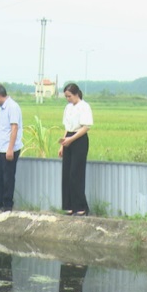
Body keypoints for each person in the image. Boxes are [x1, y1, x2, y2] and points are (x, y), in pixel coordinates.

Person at [58, 83, 93, 216]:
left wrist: (71, 139)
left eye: (70, 96)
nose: (68, 99)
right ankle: (69, 205)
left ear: (76, 94)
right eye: (66, 97)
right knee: (66, 173)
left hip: (79, 139)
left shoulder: (84, 107)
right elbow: (67, 127)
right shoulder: (68, 108)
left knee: (76, 173)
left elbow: (86, 127)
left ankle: (81, 206)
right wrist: (63, 144)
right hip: (68, 138)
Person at [0, 83, 23, 211]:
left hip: (9, 149)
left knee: (8, 177)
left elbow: (14, 128)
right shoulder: (2, 107)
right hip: (0, 148)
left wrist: (10, 149)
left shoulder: (12, 107)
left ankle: (7, 204)